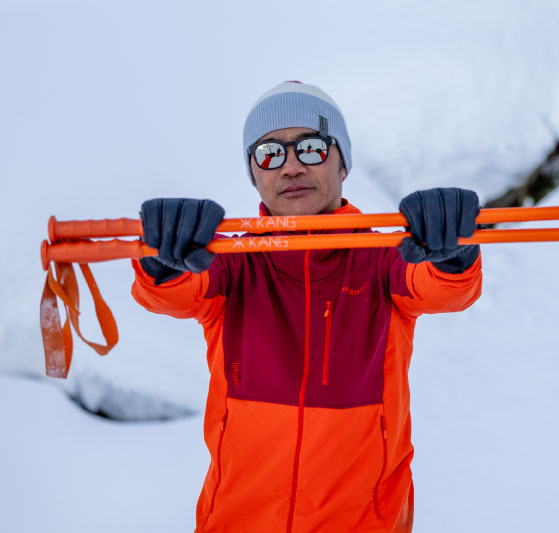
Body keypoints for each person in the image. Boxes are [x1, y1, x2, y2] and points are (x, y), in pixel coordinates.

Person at [131, 81, 482, 533]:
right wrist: (162, 261)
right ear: (255, 173)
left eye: (312, 148)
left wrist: (452, 253)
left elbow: (443, 288)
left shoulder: (386, 257)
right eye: (269, 154)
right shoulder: (233, 265)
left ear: (342, 164)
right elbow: (177, 292)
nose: (291, 166)